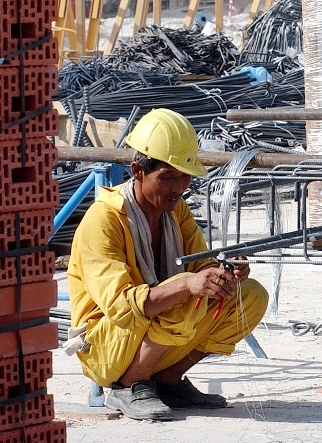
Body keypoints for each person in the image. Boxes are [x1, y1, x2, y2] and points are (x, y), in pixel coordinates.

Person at [67, 108, 269, 421]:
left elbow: (199, 265)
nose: (179, 186)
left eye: (186, 176)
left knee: (250, 295)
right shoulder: (103, 221)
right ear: (137, 171)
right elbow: (122, 305)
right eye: (168, 176)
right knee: (182, 295)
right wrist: (189, 283)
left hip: (149, 334)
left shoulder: (176, 210)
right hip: (104, 345)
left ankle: (167, 381)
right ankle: (129, 385)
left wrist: (226, 272)